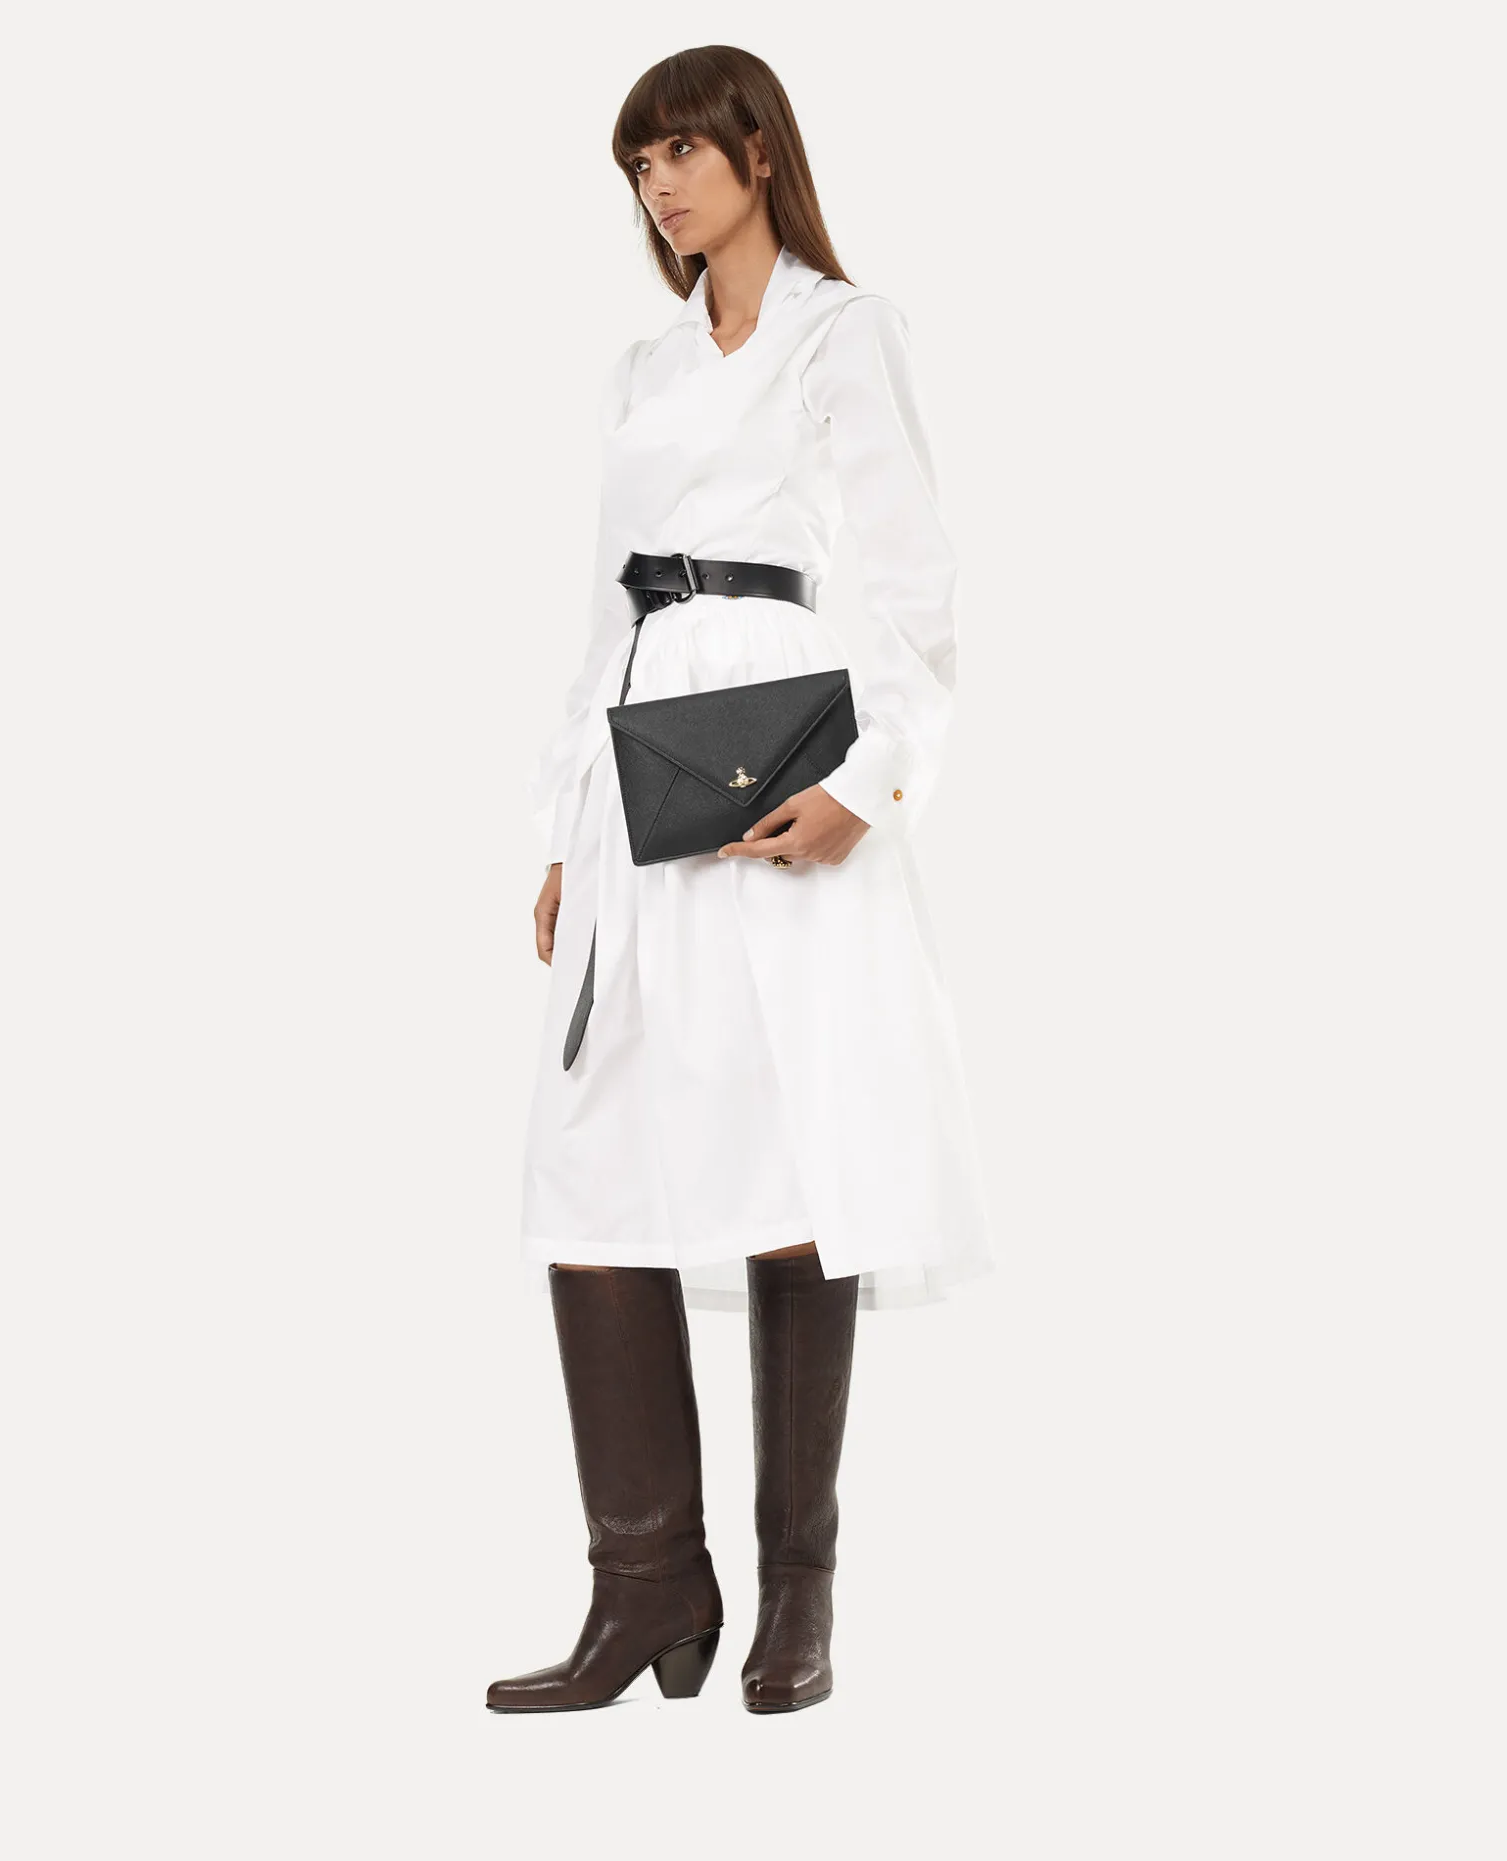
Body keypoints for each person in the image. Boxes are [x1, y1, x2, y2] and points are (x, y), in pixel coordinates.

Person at [489, 45, 994, 1716]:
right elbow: (603, 611)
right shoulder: (639, 369)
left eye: (683, 153)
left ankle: (798, 1597)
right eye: (639, 164)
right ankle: (645, 1583)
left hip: (779, 766)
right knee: (588, 1168)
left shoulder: (844, 333)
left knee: (790, 1160)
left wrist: (868, 785)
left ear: (760, 152)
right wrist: (562, 824)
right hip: (635, 772)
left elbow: (915, 590)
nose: (659, 186)